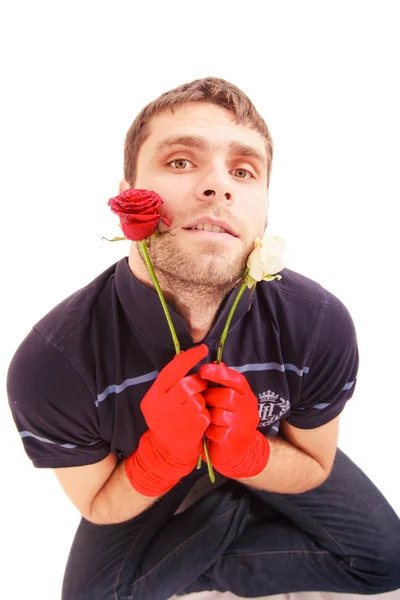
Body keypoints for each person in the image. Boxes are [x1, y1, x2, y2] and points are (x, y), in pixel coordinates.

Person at [6, 76, 400, 600]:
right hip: (143, 475)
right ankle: (234, 505)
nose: (220, 186)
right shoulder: (54, 363)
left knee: (385, 563)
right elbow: (100, 503)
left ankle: (216, 541)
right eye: (180, 162)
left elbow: (313, 463)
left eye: (243, 170)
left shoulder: (318, 323)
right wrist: (162, 458)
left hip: (261, 443)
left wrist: (247, 456)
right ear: (127, 200)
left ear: (263, 210)